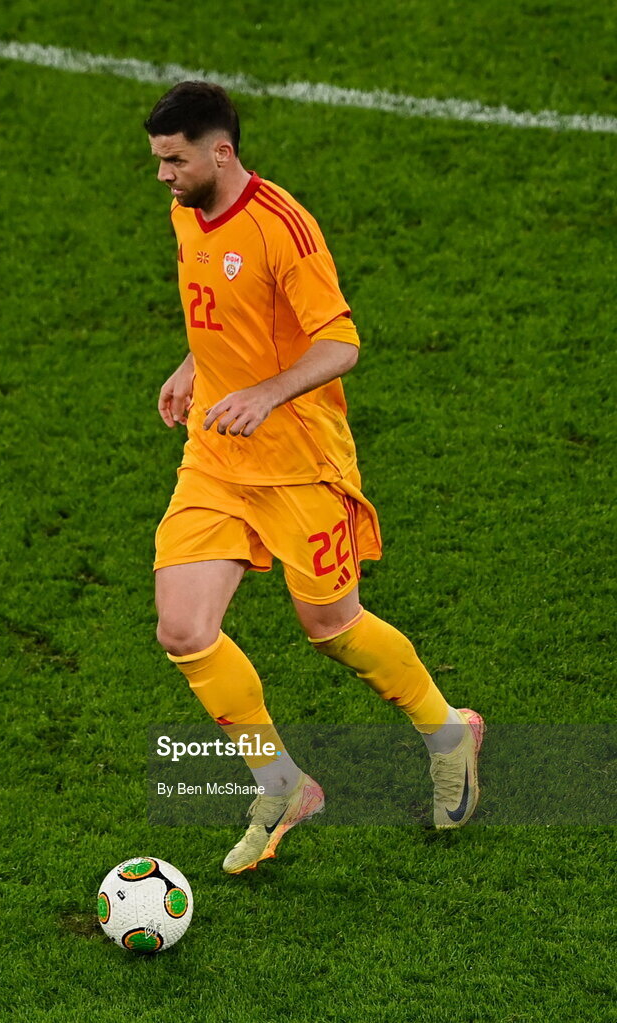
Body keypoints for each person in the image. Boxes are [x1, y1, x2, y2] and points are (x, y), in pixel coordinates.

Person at [144, 81, 484, 874]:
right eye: (159, 160)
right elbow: (226, 309)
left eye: (174, 159)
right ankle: (282, 783)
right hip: (218, 456)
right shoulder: (186, 210)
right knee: (183, 630)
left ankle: (449, 731)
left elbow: (340, 344)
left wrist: (264, 392)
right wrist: (197, 362)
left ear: (220, 152)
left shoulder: (283, 229)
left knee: (333, 628)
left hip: (300, 465)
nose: (163, 175)